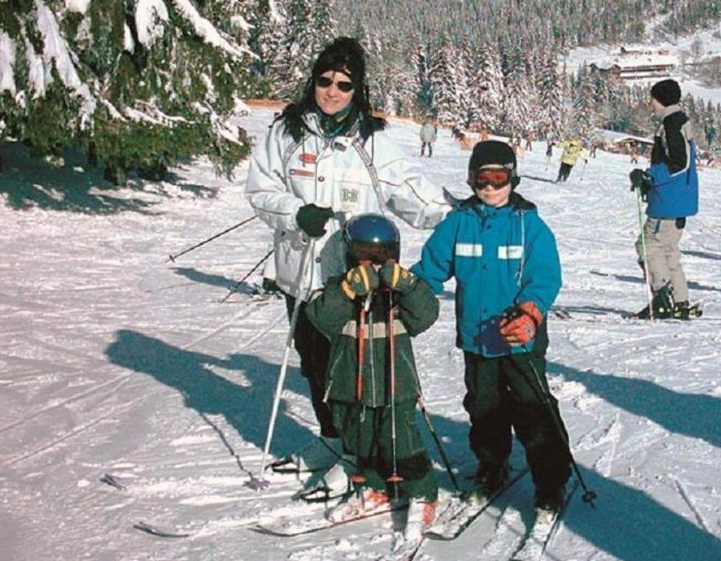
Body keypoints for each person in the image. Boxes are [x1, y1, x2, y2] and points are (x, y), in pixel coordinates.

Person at [245, 37, 448, 494]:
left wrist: (462, 209)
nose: (332, 91)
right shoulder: (286, 133)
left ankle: (356, 455)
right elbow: (259, 191)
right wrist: (295, 212)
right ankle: (331, 439)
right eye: (324, 81)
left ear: (357, 89)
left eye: (343, 83)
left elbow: (411, 192)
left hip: (353, 280)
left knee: (352, 373)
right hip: (299, 272)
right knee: (314, 365)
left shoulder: (371, 141)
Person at [412, 140, 571, 516]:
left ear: (512, 178)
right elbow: (431, 270)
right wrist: (402, 291)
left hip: (520, 338)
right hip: (477, 338)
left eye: (498, 178)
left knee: (533, 410)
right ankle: (492, 464)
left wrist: (530, 315)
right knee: (484, 408)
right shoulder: (458, 223)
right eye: (481, 179)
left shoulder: (529, 226)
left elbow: (545, 278)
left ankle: (551, 481)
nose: (489, 187)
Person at [304, 215, 441, 535]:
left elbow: (426, 315)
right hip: (350, 382)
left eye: (381, 256)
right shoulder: (338, 288)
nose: (373, 264)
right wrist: (347, 288)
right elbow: (322, 318)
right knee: (360, 439)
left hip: (397, 383)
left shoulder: (399, 293)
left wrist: (408, 284)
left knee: (401, 441)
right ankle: (376, 487)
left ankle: (423, 492)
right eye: (364, 254)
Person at [629, 79, 698, 319]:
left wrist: (650, 175)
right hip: (678, 200)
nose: (650, 102)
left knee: (648, 246)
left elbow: (679, 163)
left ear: (660, 99)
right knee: (668, 251)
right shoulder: (677, 120)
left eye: (652, 98)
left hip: (669, 200)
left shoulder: (671, 123)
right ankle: (680, 301)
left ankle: (663, 299)